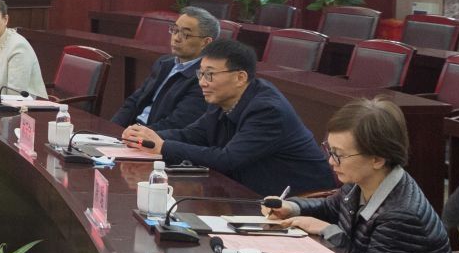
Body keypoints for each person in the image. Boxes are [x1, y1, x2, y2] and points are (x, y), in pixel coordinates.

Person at [260, 98, 459, 253]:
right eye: (330, 150)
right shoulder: (362, 181)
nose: (331, 161)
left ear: (378, 159)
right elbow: (330, 207)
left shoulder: (401, 215)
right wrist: (292, 208)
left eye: (339, 155)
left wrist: (329, 231)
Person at [121, 39, 337, 197]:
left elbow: (227, 159)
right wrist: (147, 136)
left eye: (210, 74)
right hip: (250, 191)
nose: (202, 82)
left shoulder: (268, 110)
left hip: (297, 199)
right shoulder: (222, 99)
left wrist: (162, 146)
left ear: (240, 77)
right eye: (200, 74)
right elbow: (193, 134)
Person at [112, 8, 218, 134]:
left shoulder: (205, 78)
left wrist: (137, 136)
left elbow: (177, 123)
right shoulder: (164, 63)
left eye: (185, 34)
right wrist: (111, 129)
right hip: (132, 131)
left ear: (206, 42)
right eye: (175, 30)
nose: (176, 38)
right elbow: (134, 101)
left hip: (154, 138)